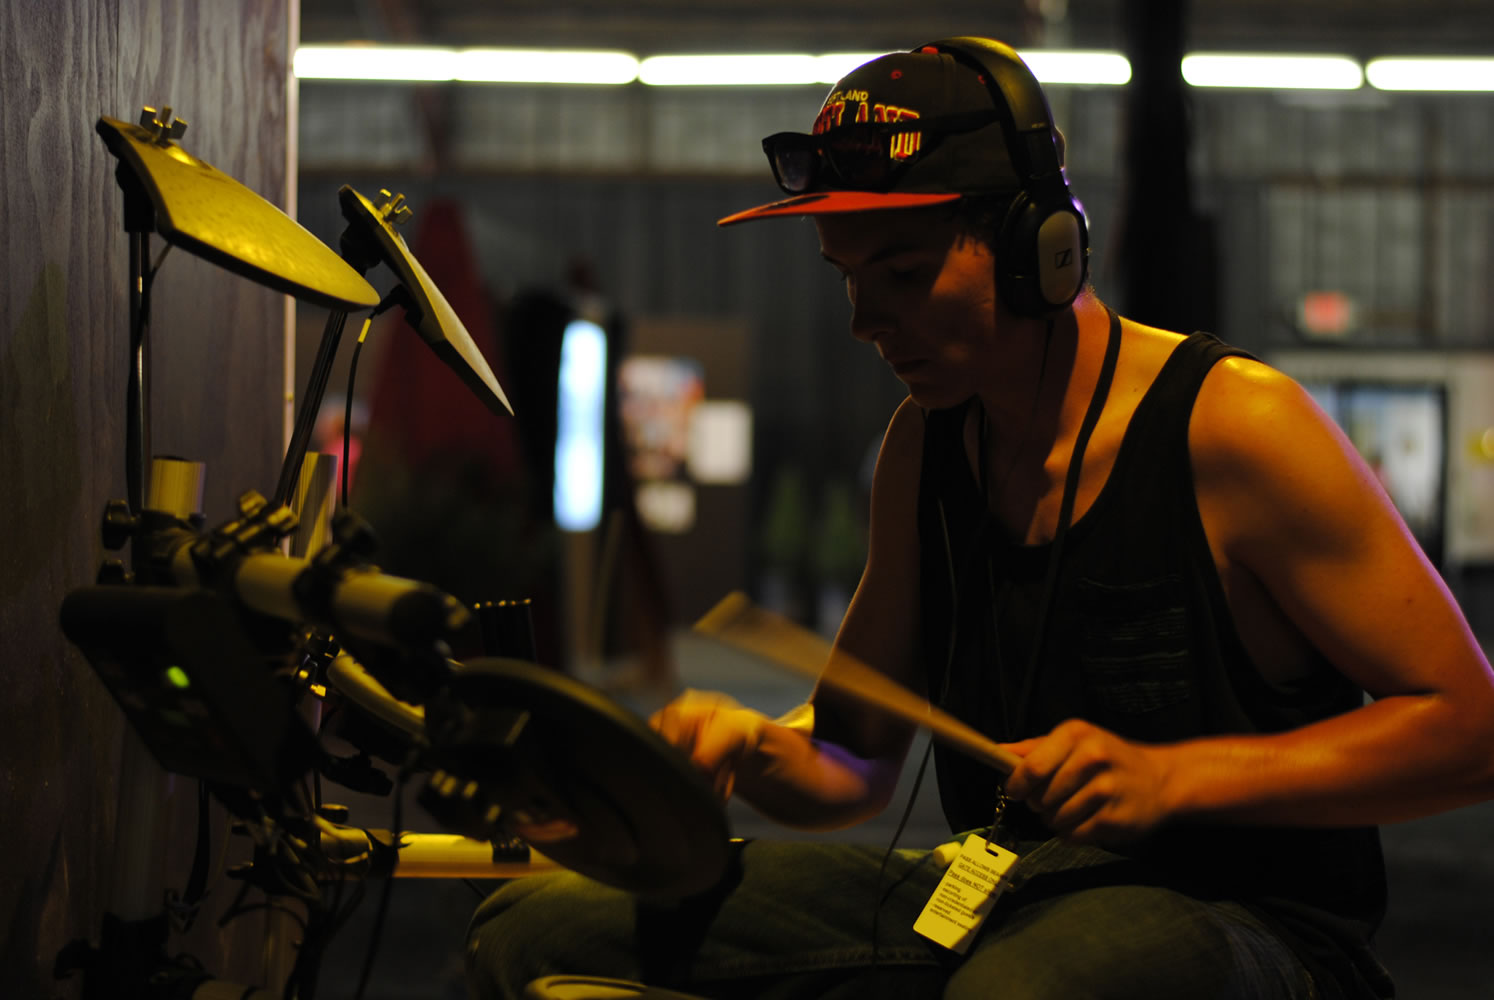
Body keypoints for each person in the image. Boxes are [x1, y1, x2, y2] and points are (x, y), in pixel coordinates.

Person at [466, 36, 1494, 1000]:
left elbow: (1471, 728)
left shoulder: (1234, 427)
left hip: (1256, 923)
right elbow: (852, 758)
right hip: (1009, 889)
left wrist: (1181, 775)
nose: (867, 323)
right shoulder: (926, 449)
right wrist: (750, 746)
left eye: (903, 274)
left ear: (1038, 249)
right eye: (848, 280)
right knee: (533, 928)